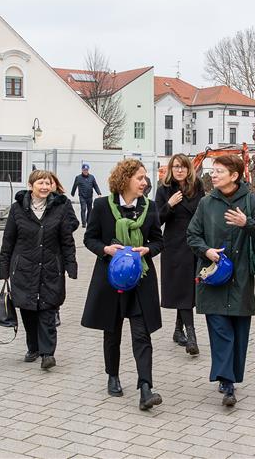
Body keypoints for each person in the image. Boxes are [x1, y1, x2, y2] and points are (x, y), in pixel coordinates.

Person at [186, 155, 255, 407]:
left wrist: (247, 223)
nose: (213, 175)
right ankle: (226, 383)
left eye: (219, 171)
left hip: (241, 278)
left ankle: (232, 376)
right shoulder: (206, 203)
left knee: (238, 329)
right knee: (220, 330)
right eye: (212, 171)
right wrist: (207, 251)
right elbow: (192, 235)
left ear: (234, 175)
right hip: (213, 278)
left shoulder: (250, 200)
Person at [81, 159, 165, 410]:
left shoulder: (149, 207)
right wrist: (105, 249)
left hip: (141, 281)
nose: (144, 182)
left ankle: (146, 387)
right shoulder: (102, 206)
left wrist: (147, 250)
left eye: (145, 178)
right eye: (139, 177)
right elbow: (89, 238)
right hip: (111, 280)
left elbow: (159, 242)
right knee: (112, 331)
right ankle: (113, 375)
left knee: (142, 334)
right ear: (125, 179)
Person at [0, 169, 78, 370]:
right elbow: (8, 240)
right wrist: (4, 269)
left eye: (47, 183)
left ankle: (47, 354)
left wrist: (71, 265)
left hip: (51, 267)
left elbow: (67, 240)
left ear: (52, 186)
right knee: (28, 311)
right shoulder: (17, 209)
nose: (44, 187)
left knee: (48, 310)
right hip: (24, 268)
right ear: (31, 185)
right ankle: (33, 347)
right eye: (40, 183)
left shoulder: (59, 208)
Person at [155, 154, 205, 355]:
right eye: (176, 166)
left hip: (194, 244)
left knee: (188, 290)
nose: (179, 170)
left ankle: (178, 330)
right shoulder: (164, 190)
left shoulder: (197, 187)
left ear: (189, 169)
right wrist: (170, 204)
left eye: (183, 167)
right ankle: (191, 336)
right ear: (171, 169)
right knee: (183, 289)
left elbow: (203, 214)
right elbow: (156, 219)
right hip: (174, 246)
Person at [48, 172, 79, 327]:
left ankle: (55, 311)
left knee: (55, 285)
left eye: (50, 182)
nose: (47, 186)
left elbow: (74, 222)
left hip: (56, 251)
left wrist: (62, 229)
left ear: (56, 184)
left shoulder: (63, 202)